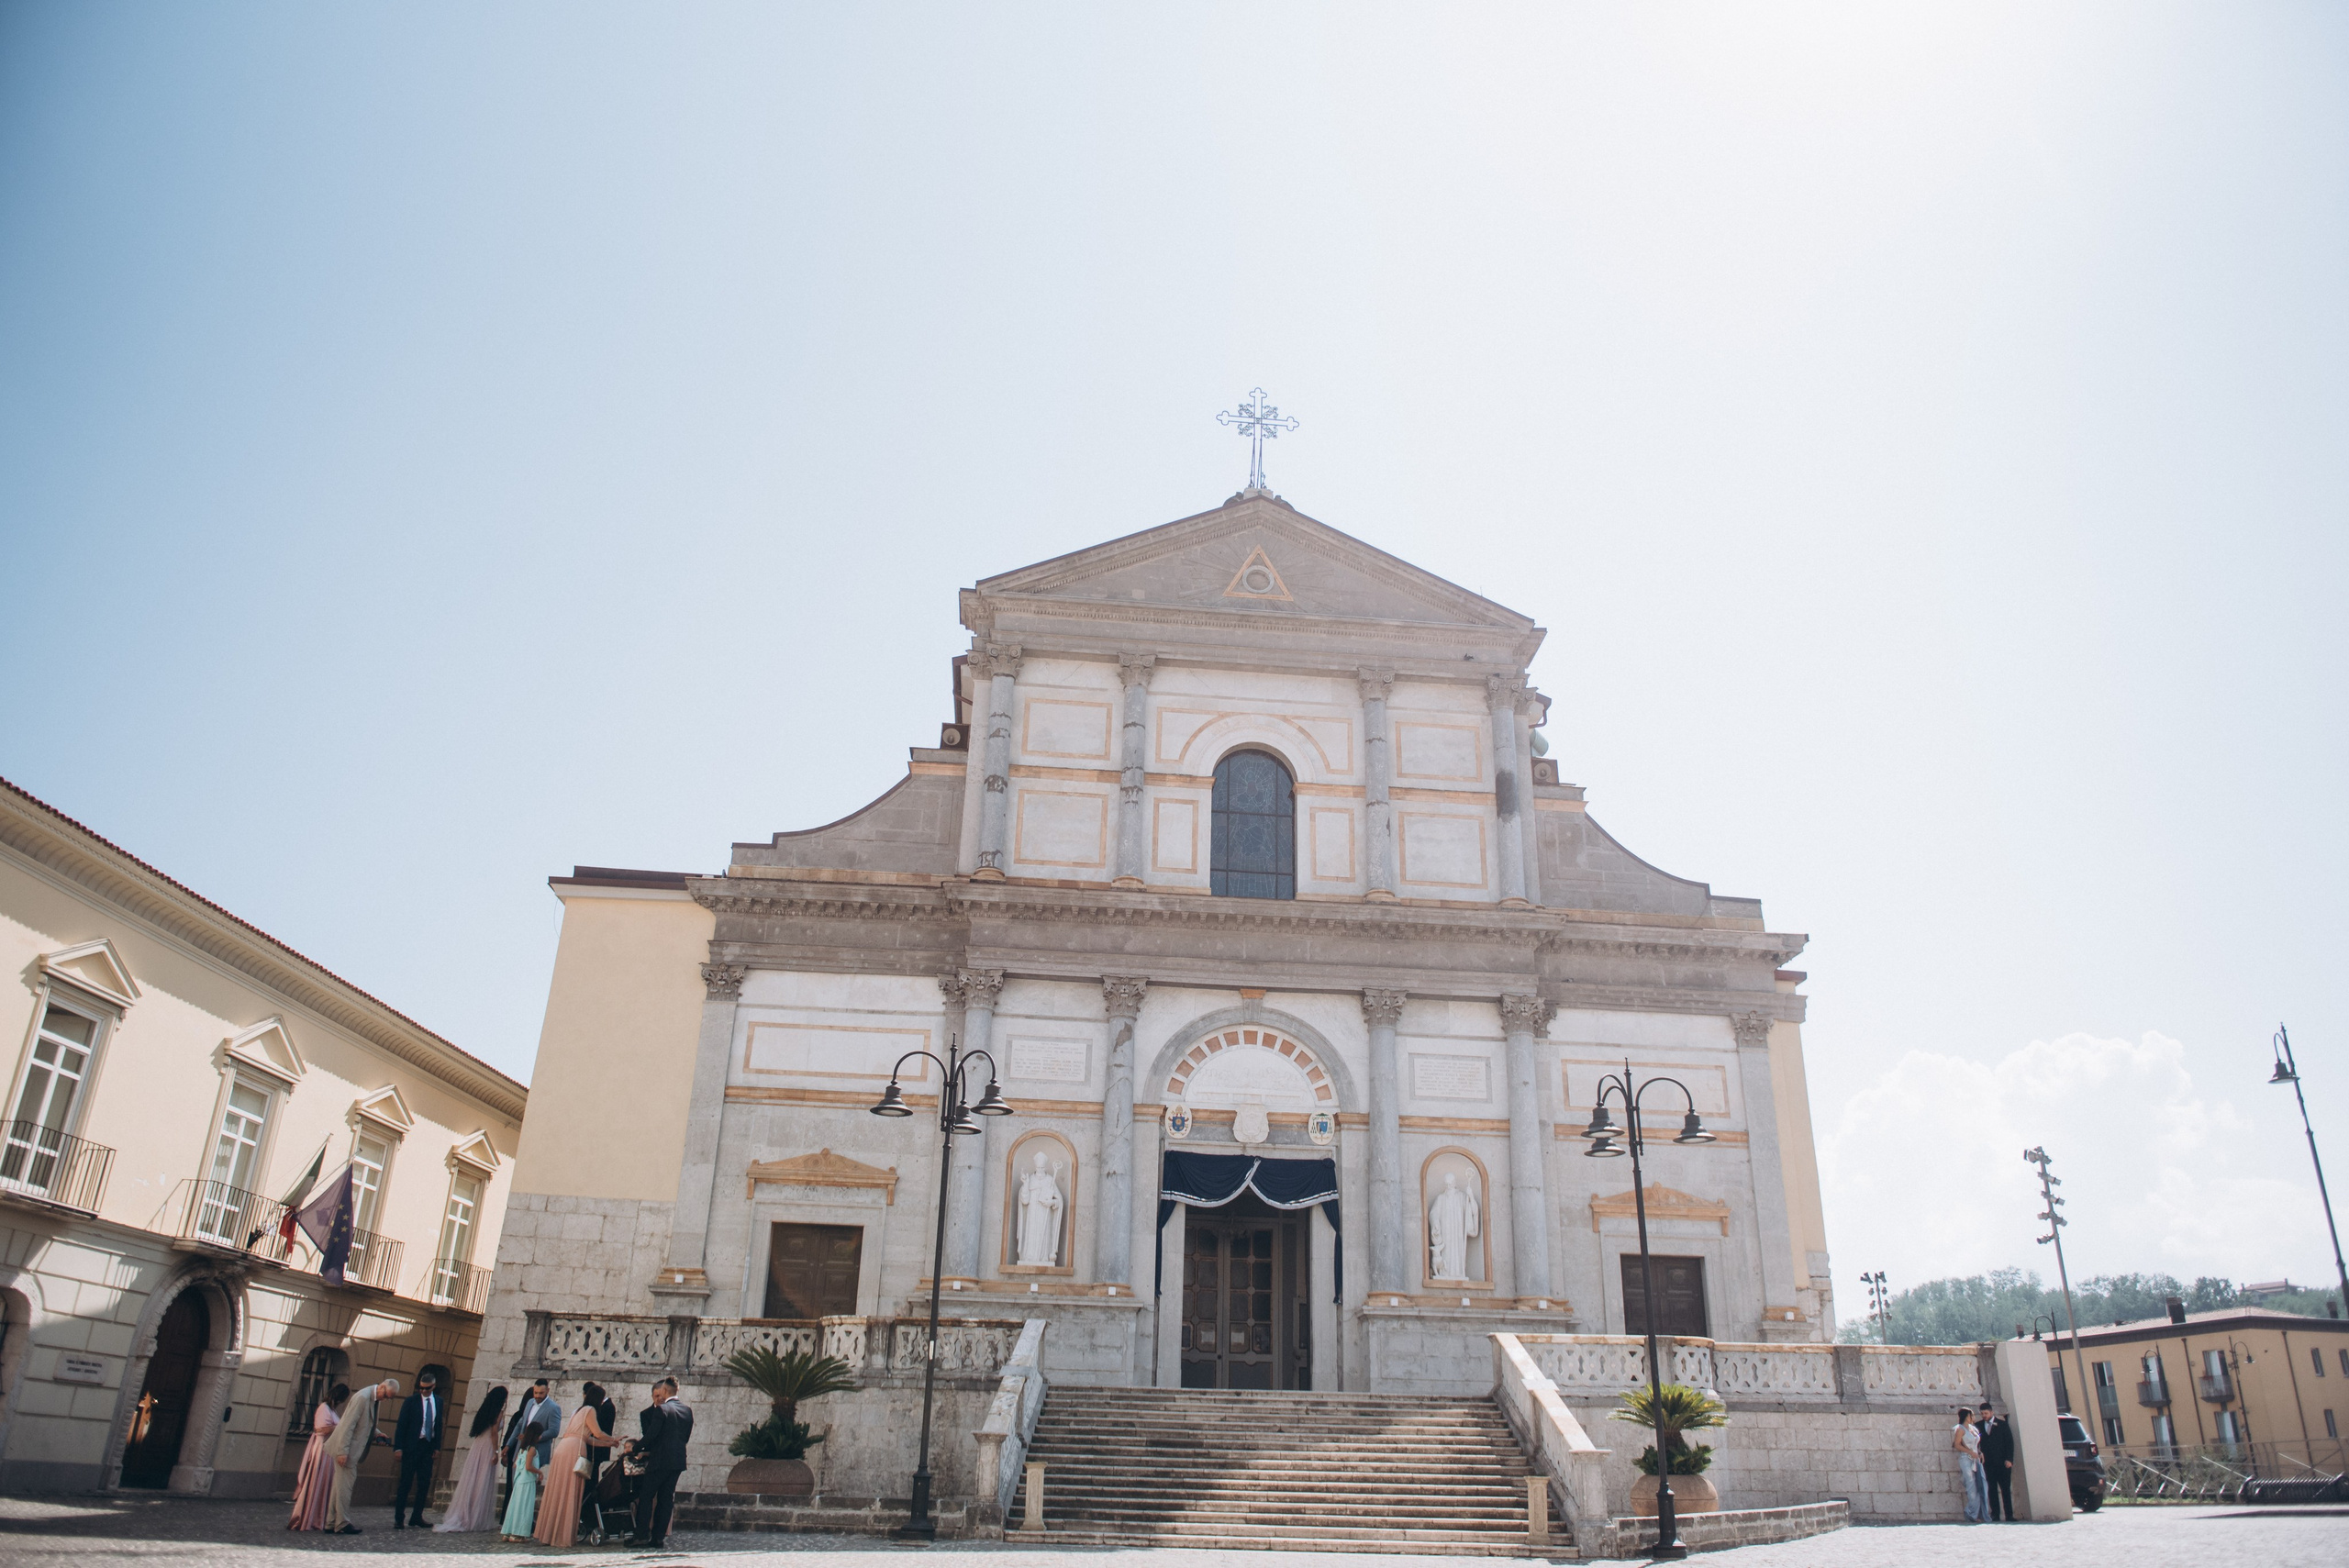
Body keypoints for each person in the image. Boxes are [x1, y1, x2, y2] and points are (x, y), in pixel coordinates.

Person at [533, 1388, 623, 1548]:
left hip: (565, 1447)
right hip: (574, 1449)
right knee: (570, 1490)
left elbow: (589, 1439)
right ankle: (561, 1534)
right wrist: (613, 1438)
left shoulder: (579, 1411)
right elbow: (598, 1433)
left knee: (559, 1490)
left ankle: (551, 1532)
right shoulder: (590, 1410)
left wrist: (609, 1444)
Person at [626, 1376, 694, 1549]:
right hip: (677, 1461)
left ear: (664, 1391)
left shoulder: (662, 1410)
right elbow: (685, 1438)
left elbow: (651, 1436)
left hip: (660, 1460)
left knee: (647, 1496)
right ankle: (658, 1538)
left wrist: (635, 1449)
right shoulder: (687, 1410)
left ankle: (641, 1535)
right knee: (666, 1499)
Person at [324, 1378, 397, 1535]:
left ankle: (331, 1523)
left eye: (389, 1398)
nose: (386, 1399)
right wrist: (342, 1451)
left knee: (339, 1487)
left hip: (350, 1449)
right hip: (346, 1449)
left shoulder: (372, 1399)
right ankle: (342, 1523)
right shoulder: (362, 1398)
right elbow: (348, 1425)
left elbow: (365, 1423)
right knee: (345, 1487)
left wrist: (377, 1434)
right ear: (382, 1387)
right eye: (386, 1395)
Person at [434, 1385, 508, 1533]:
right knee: (482, 1481)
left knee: (472, 1479)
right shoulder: (498, 1412)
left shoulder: (484, 1410)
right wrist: (495, 1451)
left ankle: (466, 1514)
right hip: (487, 1445)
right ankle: (475, 1517)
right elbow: (494, 1432)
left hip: (478, 1445)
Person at [286, 1381, 347, 1531]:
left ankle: (320, 1516)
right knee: (316, 1482)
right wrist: (341, 1426)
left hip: (328, 1450)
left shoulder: (332, 1411)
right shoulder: (323, 1408)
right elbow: (322, 1429)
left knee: (325, 1483)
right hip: (321, 1449)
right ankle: (310, 1517)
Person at [390, 1368, 445, 1528]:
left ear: (433, 1386)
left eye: (427, 1388)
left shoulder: (439, 1402)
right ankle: (399, 1518)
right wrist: (398, 1448)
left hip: (427, 1447)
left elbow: (438, 1425)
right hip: (411, 1446)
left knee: (424, 1483)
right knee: (405, 1483)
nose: (423, 1391)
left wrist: (437, 1446)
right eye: (421, 1388)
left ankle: (417, 1516)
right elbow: (401, 1425)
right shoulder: (411, 1401)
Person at [502, 1378, 560, 1514]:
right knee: (515, 1487)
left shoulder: (553, 1408)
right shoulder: (529, 1403)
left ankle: (523, 1519)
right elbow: (520, 1425)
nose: (538, 1396)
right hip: (521, 1451)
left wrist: (534, 1438)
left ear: (548, 1391)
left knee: (527, 1490)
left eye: (541, 1393)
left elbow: (554, 1431)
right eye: (536, 1393)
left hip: (536, 1452)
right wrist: (508, 1445)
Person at [577, 1378, 619, 1536]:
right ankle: (585, 1518)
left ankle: (589, 1519)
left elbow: (598, 1432)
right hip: (591, 1449)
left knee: (591, 1486)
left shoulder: (605, 1408)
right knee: (587, 1486)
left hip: (595, 1452)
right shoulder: (594, 1409)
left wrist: (611, 1442)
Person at [498, 1421, 546, 1542]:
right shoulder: (532, 1449)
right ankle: (518, 1534)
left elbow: (515, 1465)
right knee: (524, 1508)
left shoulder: (522, 1449)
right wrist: (539, 1472)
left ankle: (508, 1533)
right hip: (527, 1482)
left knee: (514, 1506)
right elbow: (528, 1467)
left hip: (519, 1480)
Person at [1978, 1400, 2015, 1522]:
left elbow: (2009, 1442)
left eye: (1986, 1413)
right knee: (1992, 1489)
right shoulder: (1978, 1426)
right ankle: (1995, 1514)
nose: (1984, 1416)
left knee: (2005, 1489)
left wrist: (2009, 1459)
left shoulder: (2002, 1424)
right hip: (1988, 1464)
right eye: (1982, 1413)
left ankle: (2009, 1515)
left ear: (1991, 1412)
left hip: (2003, 1463)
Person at [1953, 1406, 1987, 1523]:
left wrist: (1979, 1452)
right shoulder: (1960, 1429)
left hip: (1976, 1459)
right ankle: (1971, 1513)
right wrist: (1970, 1452)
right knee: (1971, 1486)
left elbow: (1976, 1444)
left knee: (1979, 1485)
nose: (1973, 1417)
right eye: (1971, 1415)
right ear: (1967, 1416)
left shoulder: (1972, 1428)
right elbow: (1956, 1444)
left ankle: (1978, 1512)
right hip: (1966, 1459)